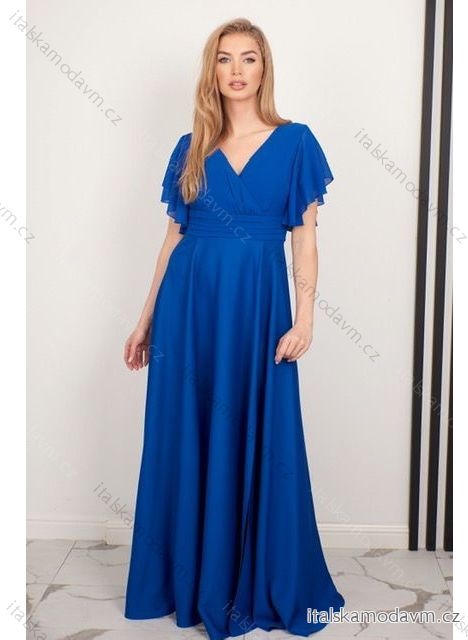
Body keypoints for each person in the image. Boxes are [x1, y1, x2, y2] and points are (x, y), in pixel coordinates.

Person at [123, 16, 345, 640]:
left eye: (249, 58)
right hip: (188, 310)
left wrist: (305, 318)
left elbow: (305, 241)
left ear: (264, 68)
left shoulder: (296, 142)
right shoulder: (189, 147)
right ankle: (189, 581)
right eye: (225, 59)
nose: (237, 70)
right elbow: (172, 239)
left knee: (257, 434)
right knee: (187, 435)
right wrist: (144, 319)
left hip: (257, 309)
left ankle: (251, 579)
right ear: (212, 70)